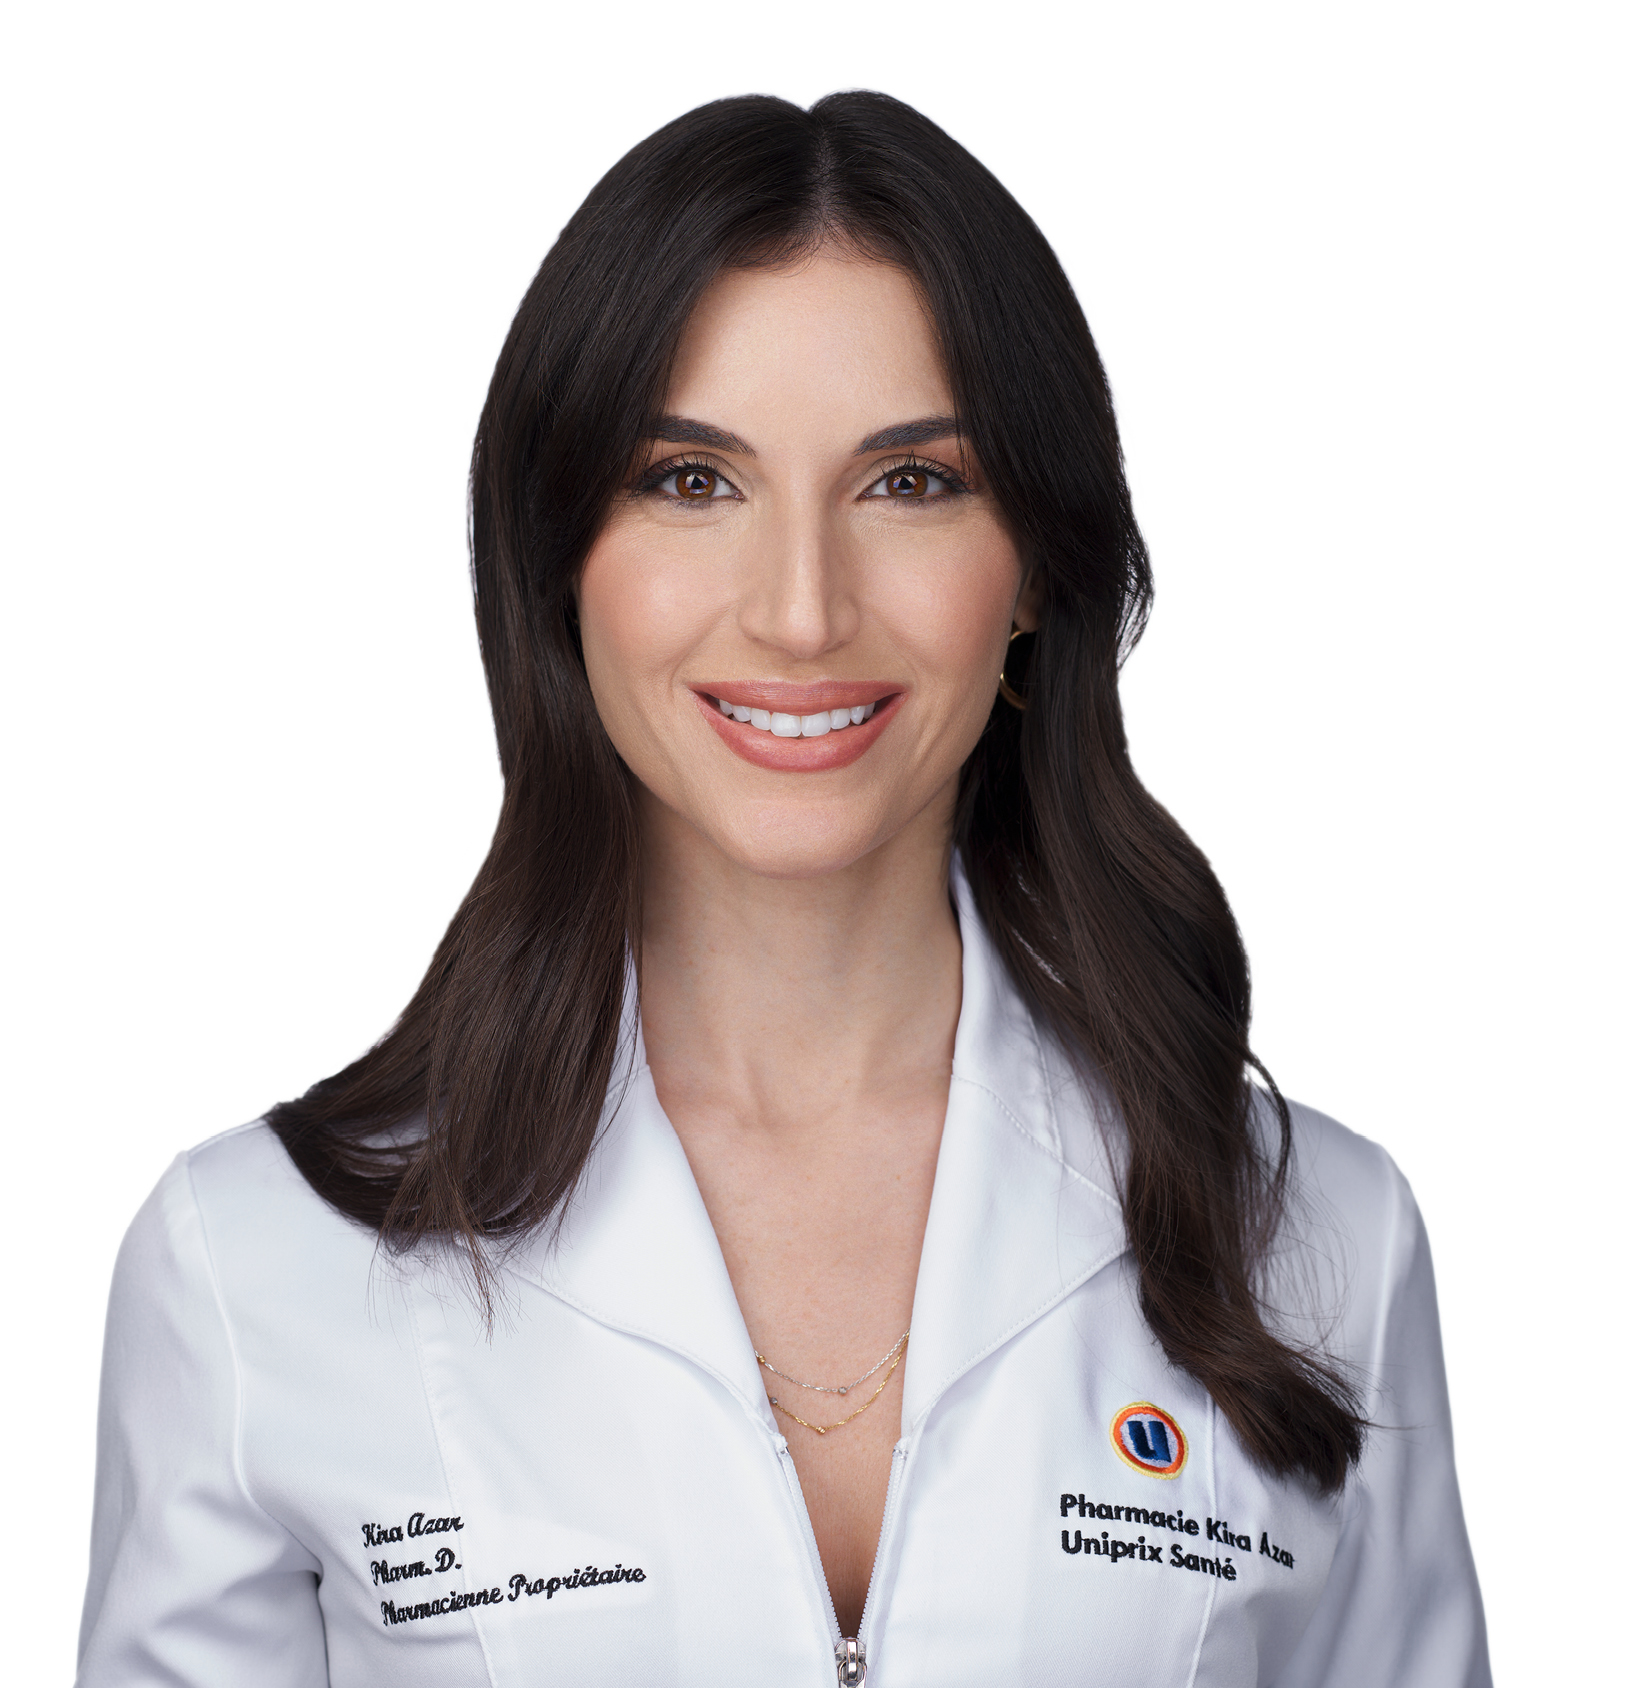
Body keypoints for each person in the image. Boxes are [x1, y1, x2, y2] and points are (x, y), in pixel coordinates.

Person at [77, 91, 1490, 1687]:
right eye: (692, 481)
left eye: (910, 483)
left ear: (1036, 568)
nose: (802, 613)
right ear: (557, 561)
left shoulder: (1320, 1244)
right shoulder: (252, 1268)